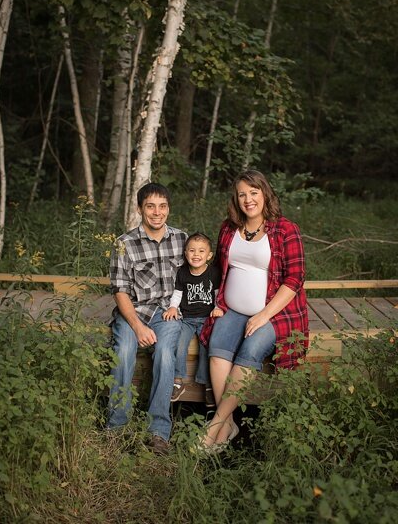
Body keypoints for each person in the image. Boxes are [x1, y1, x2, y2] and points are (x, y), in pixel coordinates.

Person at [199, 170, 308, 450]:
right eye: (242, 194)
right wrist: (213, 302)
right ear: (236, 199)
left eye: (254, 192)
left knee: (249, 352)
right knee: (217, 349)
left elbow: (295, 278)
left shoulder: (285, 229)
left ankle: (214, 426)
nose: (248, 199)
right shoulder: (228, 228)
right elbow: (219, 270)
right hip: (231, 310)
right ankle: (229, 423)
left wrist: (263, 315)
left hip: (275, 313)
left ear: (264, 194)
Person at [108, 182, 187, 454]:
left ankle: (158, 432)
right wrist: (137, 326)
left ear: (169, 208)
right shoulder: (124, 243)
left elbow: (196, 275)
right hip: (134, 312)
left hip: (167, 313)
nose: (157, 212)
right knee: (125, 351)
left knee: (166, 353)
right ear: (140, 208)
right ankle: (117, 427)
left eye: (162, 206)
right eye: (150, 206)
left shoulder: (181, 239)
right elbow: (119, 290)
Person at [164, 232, 224, 406]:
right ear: (185, 253)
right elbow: (177, 293)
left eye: (201, 251)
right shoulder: (183, 272)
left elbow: (217, 294)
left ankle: (207, 385)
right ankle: (177, 380)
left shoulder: (213, 273)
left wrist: (218, 307)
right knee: (179, 343)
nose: (196, 255)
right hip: (187, 319)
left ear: (209, 255)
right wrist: (173, 306)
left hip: (207, 318)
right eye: (192, 250)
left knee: (207, 347)